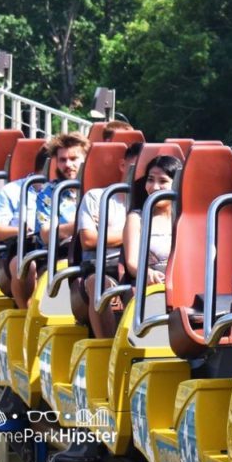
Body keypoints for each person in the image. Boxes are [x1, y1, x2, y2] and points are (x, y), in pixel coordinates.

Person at [12, 132, 90, 309]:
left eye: (73, 158)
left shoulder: (100, 192)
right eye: (62, 160)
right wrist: (83, 227)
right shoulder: (49, 193)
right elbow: (47, 234)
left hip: (94, 255)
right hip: (58, 255)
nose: (68, 165)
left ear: (86, 158)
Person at [77, 142, 142, 335]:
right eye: (134, 166)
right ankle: (105, 347)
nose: (138, 173)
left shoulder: (153, 202)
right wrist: (133, 235)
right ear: (123, 165)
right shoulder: (98, 197)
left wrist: (109, 235)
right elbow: (89, 240)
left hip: (141, 264)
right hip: (104, 265)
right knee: (99, 284)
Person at [0, 147, 49, 298]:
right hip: (21, 246)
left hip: (58, 247)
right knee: (26, 265)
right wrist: (21, 229)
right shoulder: (12, 191)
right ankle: (26, 313)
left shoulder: (70, 193)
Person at [122, 155, 183, 286]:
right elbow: (132, 263)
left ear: (178, 184)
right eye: (150, 180)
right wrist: (147, 274)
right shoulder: (137, 219)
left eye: (162, 181)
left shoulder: (186, 220)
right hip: (150, 286)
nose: (155, 187)